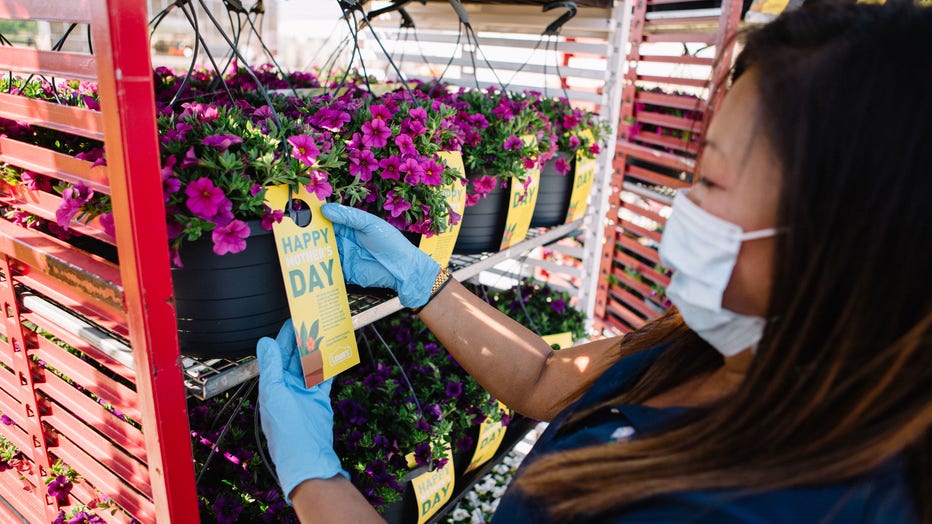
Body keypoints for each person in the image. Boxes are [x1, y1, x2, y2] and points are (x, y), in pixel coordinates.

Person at [255, 5, 931, 523]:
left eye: (712, 182)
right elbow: (551, 379)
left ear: (844, 233)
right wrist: (424, 283)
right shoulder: (723, 344)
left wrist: (315, 478)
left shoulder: (762, 505)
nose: (680, 204)